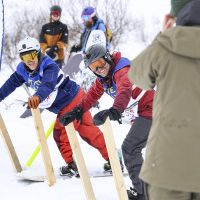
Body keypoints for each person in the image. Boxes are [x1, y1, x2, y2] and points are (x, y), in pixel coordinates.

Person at [128, 0, 200, 199]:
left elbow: (136, 75)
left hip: (165, 171)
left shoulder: (163, 47)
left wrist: (162, 36)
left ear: (178, 18)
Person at [0, 36, 110, 176]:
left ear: (38, 53)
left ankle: (73, 165)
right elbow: (12, 82)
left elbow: (48, 85)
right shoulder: (23, 69)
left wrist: (37, 96)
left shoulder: (49, 65)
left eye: (31, 55)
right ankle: (114, 158)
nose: (29, 61)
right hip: (74, 99)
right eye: (24, 58)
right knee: (90, 133)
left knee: (60, 133)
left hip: (72, 99)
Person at [60, 44, 155, 200]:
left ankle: (143, 193)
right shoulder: (104, 78)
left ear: (108, 57)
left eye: (100, 63)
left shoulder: (121, 71)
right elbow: (92, 94)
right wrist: (77, 111)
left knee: (130, 148)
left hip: (152, 109)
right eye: (94, 67)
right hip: (143, 113)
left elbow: (125, 89)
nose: (99, 69)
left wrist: (115, 110)